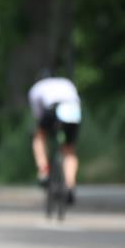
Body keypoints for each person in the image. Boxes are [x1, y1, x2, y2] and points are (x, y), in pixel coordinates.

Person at [27, 71, 81, 204]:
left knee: (39, 137)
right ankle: (69, 185)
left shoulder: (36, 88)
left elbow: (38, 114)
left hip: (52, 109)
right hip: (72, 111)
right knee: (69, 151)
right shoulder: (66, 83)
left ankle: (44, 171)